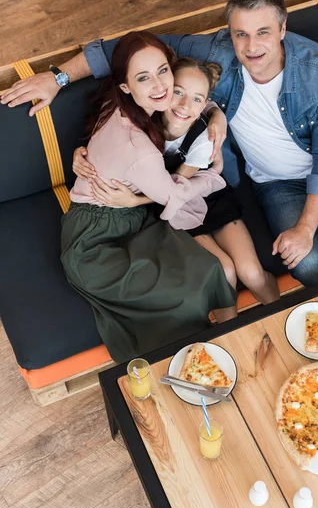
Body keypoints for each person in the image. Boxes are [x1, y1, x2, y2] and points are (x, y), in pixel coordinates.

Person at [4, 0, 318, 287]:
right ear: (229, 32)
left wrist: (306, 228)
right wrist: (57, 78)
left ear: (282, 27)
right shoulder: (216, 51)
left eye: (263, 32)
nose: (251, 46)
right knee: (309, 265)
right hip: (277, 182)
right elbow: (124, 50)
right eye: (240, 33)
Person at [60, 31, 237, 363]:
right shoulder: (141, 148)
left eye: (162, 71)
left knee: (207, 268)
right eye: (144, 77)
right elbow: (175, 200)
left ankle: (224, 348)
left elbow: (190, 96)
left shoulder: (132, 102)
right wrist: (213, 176)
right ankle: (186, 364)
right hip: (97, 244)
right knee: (184, 291)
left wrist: (216, 114)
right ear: (126, 86)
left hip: (128, 219)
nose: (160, 86)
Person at [73, 56, 280, 321]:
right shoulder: (141, 121)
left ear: (205, 104)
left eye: (196, 99)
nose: (184, 105)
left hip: (202, 195)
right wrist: (80, 154)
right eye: (178, 93)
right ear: (166, 90)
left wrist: (134, 201)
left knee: (250, 272)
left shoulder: (203, 137)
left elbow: (176, 187)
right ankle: (230, 339)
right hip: (176, 211)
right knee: (224, 272)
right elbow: (110, 142)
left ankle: (281, 315)